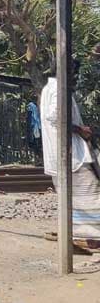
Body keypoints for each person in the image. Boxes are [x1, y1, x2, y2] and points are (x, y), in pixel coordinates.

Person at [40, 59, 100, 247]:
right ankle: (89, 237)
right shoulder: (59, 89)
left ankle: (78, 235)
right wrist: (79, 130)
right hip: (70, 156)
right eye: (73, 71)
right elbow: (55, 117)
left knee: (73, 196)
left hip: (64, 155)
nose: (75, 76)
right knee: (90, 191)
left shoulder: (51, 89)